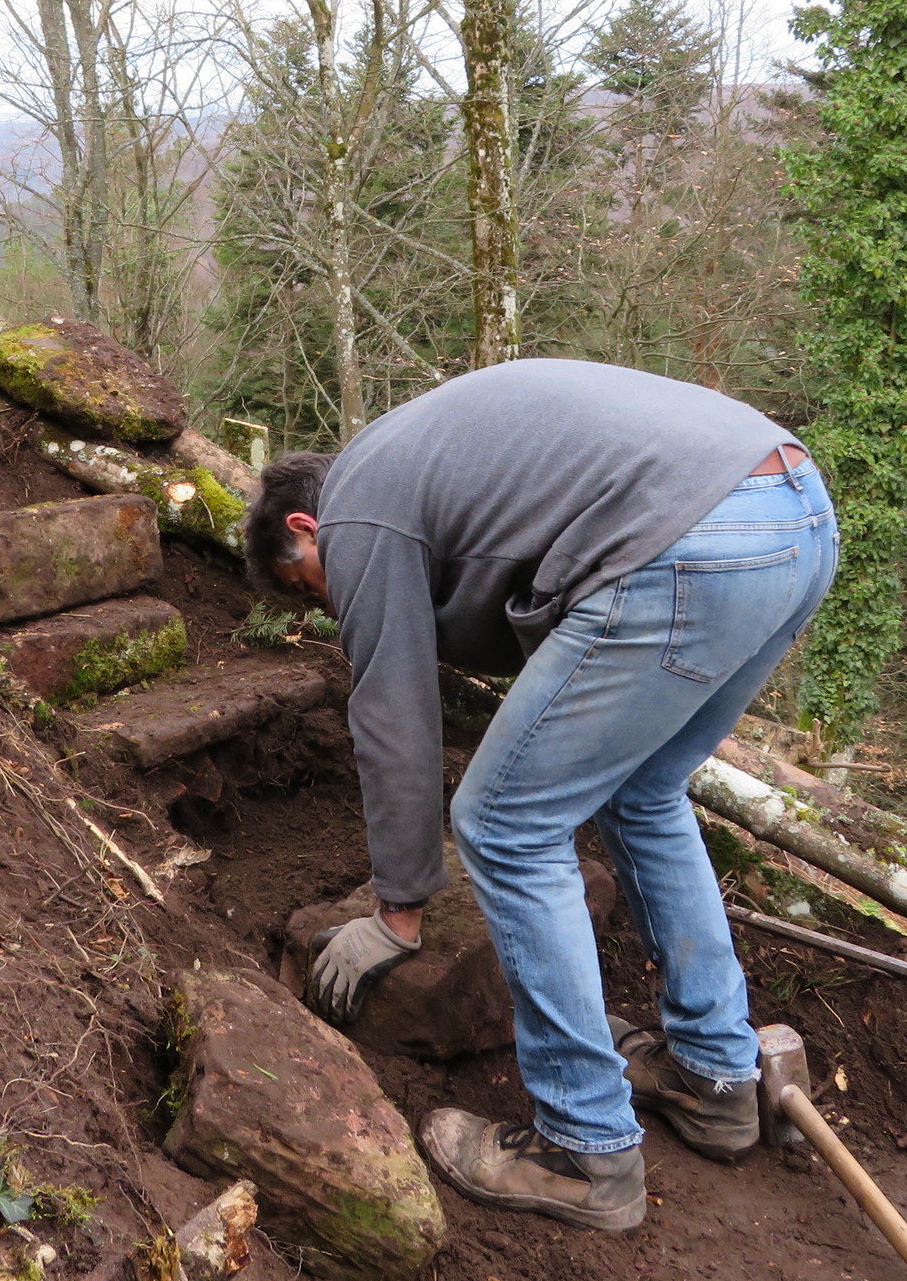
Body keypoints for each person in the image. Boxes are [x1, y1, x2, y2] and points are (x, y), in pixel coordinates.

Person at [246, 358, 837, 1233]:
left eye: (312, 587)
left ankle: (584, 1148)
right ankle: (715, 1078)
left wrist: (397, 911)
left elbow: (393, 712)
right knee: (645, 790)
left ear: (306, 528)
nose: (335, 609)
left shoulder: (359, 507)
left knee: (504, 823)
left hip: (688, 540)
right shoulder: (429, 461)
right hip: (793, 513)